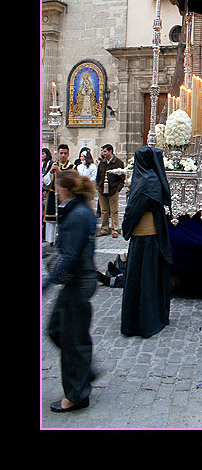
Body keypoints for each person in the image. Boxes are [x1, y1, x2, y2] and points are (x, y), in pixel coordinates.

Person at [42, 169, 97, 413]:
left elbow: (71, 255)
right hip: (77, 281)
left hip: (79, 280)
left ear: (64, 189)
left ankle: (76, 395)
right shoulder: (77, 210)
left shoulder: (78, 214)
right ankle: (85, 371)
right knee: (56, 329)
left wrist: (48, 282)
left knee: (72, 337)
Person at [120, 145, 173, 338]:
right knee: (150, 276)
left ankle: (141, 320)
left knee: (141, 277)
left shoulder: (146, 181)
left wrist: (126, 227)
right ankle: (153, 314)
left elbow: (134, 211)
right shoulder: (153, 178)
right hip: (152, 235)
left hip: (144, 238)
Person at [43, 144, 76, 245]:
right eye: (61, 153)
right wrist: (51, 172)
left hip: (66, 197)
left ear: (68, 154)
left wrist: (59, 172)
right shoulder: (52, 165)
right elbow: (46, 181)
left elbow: (70, 182)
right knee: (51, 219)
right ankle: (51, 240)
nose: (63, 155)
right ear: (57, 154)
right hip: (53, 195)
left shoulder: (72, 167)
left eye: (65, 153)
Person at [95, 144, 125, 238]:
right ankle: (104, 228)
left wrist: (118, 189)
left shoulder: (118, 162)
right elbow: (98, 176)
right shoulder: (102, 163)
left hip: (113, 189)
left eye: (104, 151)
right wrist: (98, 186)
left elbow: (122, 177)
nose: (102, 153)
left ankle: (115, 228)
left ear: (110, 151)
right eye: (102, 151)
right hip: (102, 189)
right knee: (104, 210)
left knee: (114, 210)